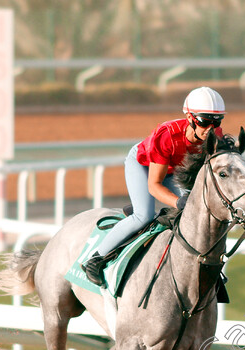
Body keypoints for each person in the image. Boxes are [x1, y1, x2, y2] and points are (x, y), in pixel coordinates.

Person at [81, 86, 226, 286]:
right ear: (190, 117)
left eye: (216, 122)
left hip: (175, 169)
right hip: (144, 167)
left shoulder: (214, 135)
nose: (211, 128)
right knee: (144, 216)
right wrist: (179, 201)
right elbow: (155, 185)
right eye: (204, 121)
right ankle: (95, 258)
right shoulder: (167, 135)